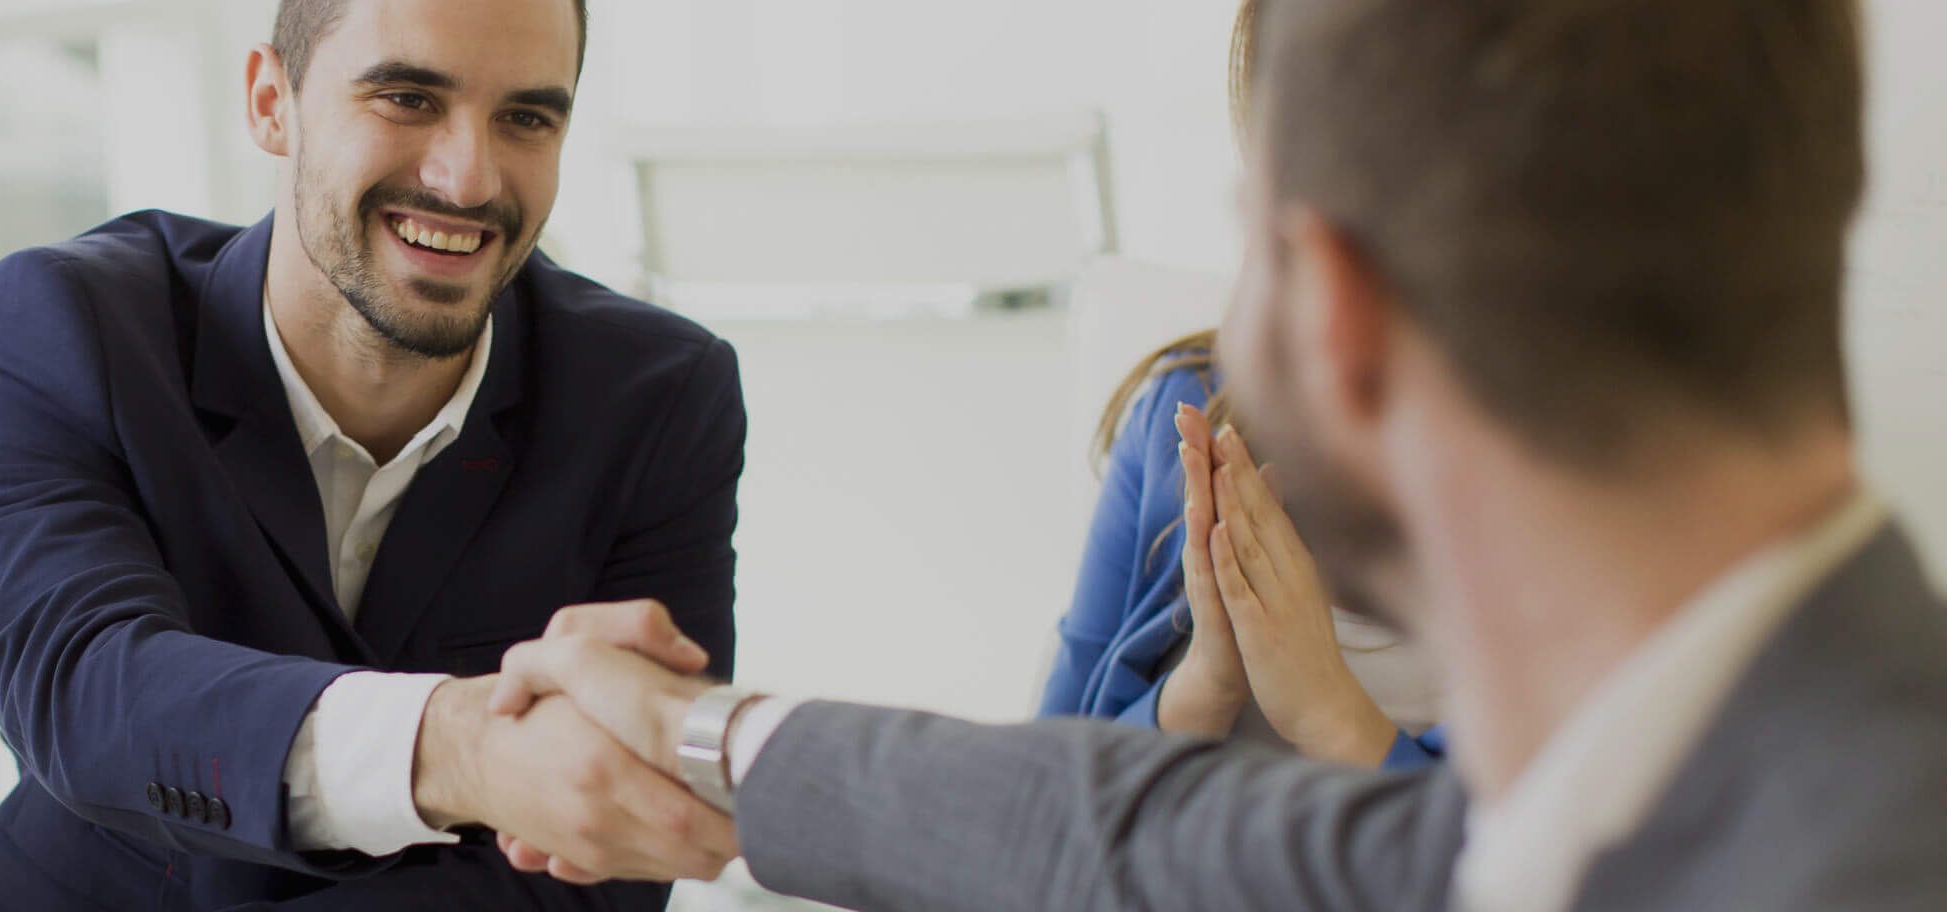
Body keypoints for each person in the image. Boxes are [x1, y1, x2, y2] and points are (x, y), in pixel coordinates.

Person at [492, 0, 1942, 909]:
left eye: (1250, 234)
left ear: (1338, 315)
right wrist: (705, 737)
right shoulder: (1691, 777)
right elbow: (1114, 826)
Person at [0, 0, 747, 905]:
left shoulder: (656, 397)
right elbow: (86, 690)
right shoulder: (52, 331)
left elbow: (614, 849)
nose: (468, 179)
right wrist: (463, 749)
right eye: (407, 99)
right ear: (272, 102)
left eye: (526, 118)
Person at [1047, 0, 1443, 770]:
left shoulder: (1576, 467)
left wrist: (1333, 715)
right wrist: (1202, 687)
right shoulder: (1177, 412)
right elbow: (1035, 792)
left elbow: (1583, 835)